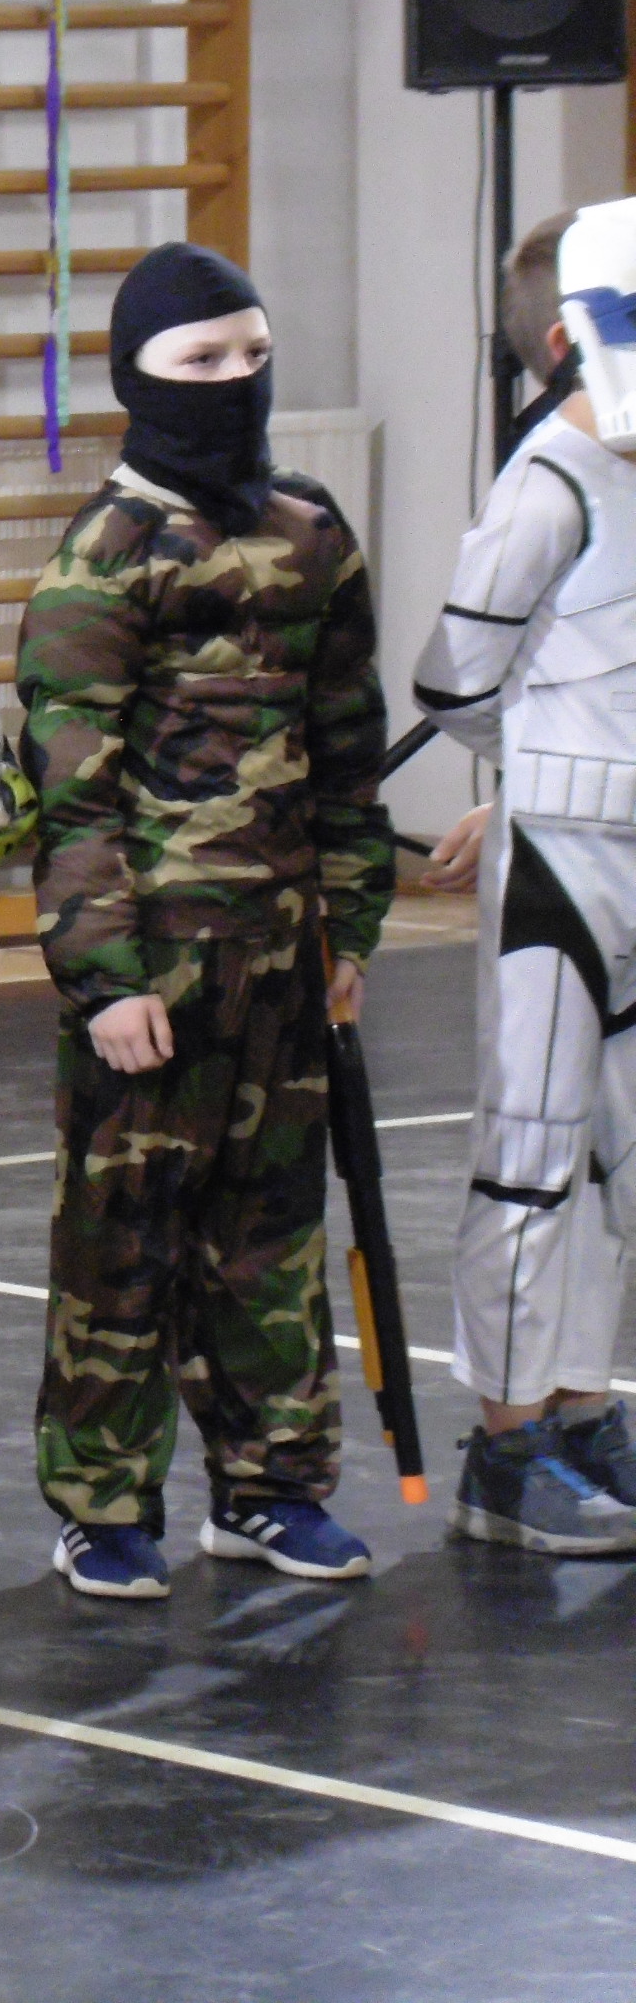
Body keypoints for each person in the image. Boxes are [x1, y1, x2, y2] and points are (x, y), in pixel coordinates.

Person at [20, 241, 396, 1599]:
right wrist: (105, 977)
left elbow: (349, 749)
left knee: (272, 1235)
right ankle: (104, 1503)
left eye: (253, 354)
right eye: (201, 360)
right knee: (124, 1235)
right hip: (155, 968)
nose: (235, 379)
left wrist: (351, 927)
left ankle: (272, 1488)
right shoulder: (101, 563)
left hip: (283, 960)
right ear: (138, 377)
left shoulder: (311, 535)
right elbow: (72, 794)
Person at [412, 196, 636, 1552]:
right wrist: (542, 781)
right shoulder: (551, 476)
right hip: (569, 858)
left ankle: (581, 1406)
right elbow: (455, 676)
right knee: (536, 1149)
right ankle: (507, 1443)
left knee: (615, 1155)